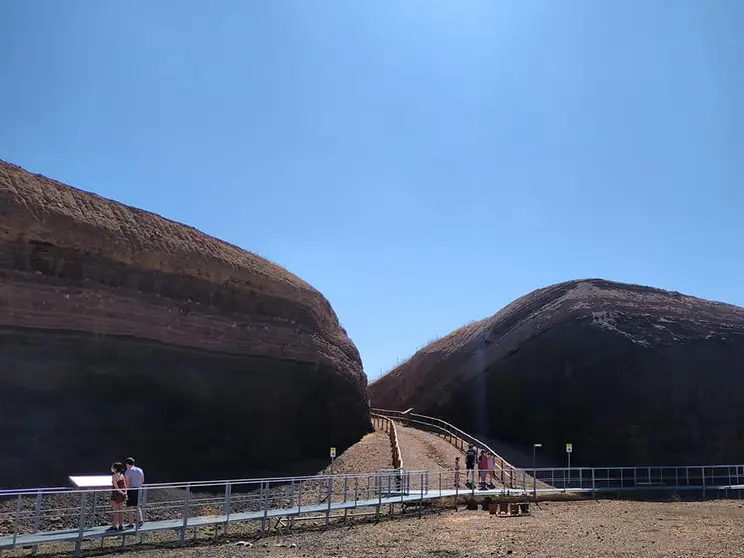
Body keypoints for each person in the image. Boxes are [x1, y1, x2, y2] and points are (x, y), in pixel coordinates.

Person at [124, 457, 145, 528]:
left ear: (127, 464)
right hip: (139, 489)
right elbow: (142, 480)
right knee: (138, 506)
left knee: (130, 507)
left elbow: (127, 483)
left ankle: (131, 523)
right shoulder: (140, 470)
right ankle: (140, 520)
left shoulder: (128, 471)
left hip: (131, 490)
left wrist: (125, 492)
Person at [109, 462, 128, 531]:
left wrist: (122, 493)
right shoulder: (122, 475)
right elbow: (125, 485)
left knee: (116, 511)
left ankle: (114, 526)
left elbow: (116, 487)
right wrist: (124, 493)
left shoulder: (114, 476)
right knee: (121, 510)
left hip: (116, 494)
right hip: (122, 494)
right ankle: (121, 525)